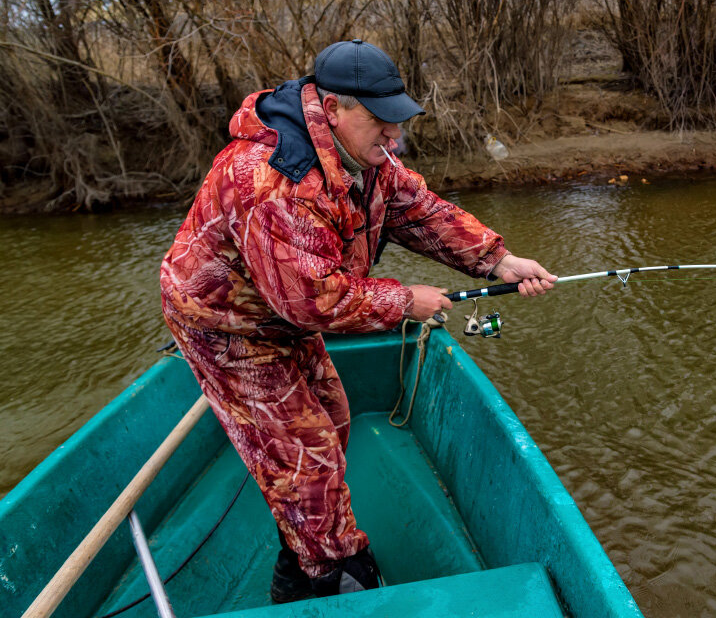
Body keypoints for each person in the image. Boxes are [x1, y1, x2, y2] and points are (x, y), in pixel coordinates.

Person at [159, 39, 556, 602]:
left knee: (334, 420)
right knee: (306, 459)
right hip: (227, 327)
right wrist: (404, 302)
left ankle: (302, 538)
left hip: (285, 317)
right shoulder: (271, 179)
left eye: (397, 122)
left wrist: (499, 260)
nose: (393, 138)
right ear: (334, 108)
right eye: (380, 123)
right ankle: (327, 576)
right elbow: (311, 300)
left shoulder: (369, 159)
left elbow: (421, 211)